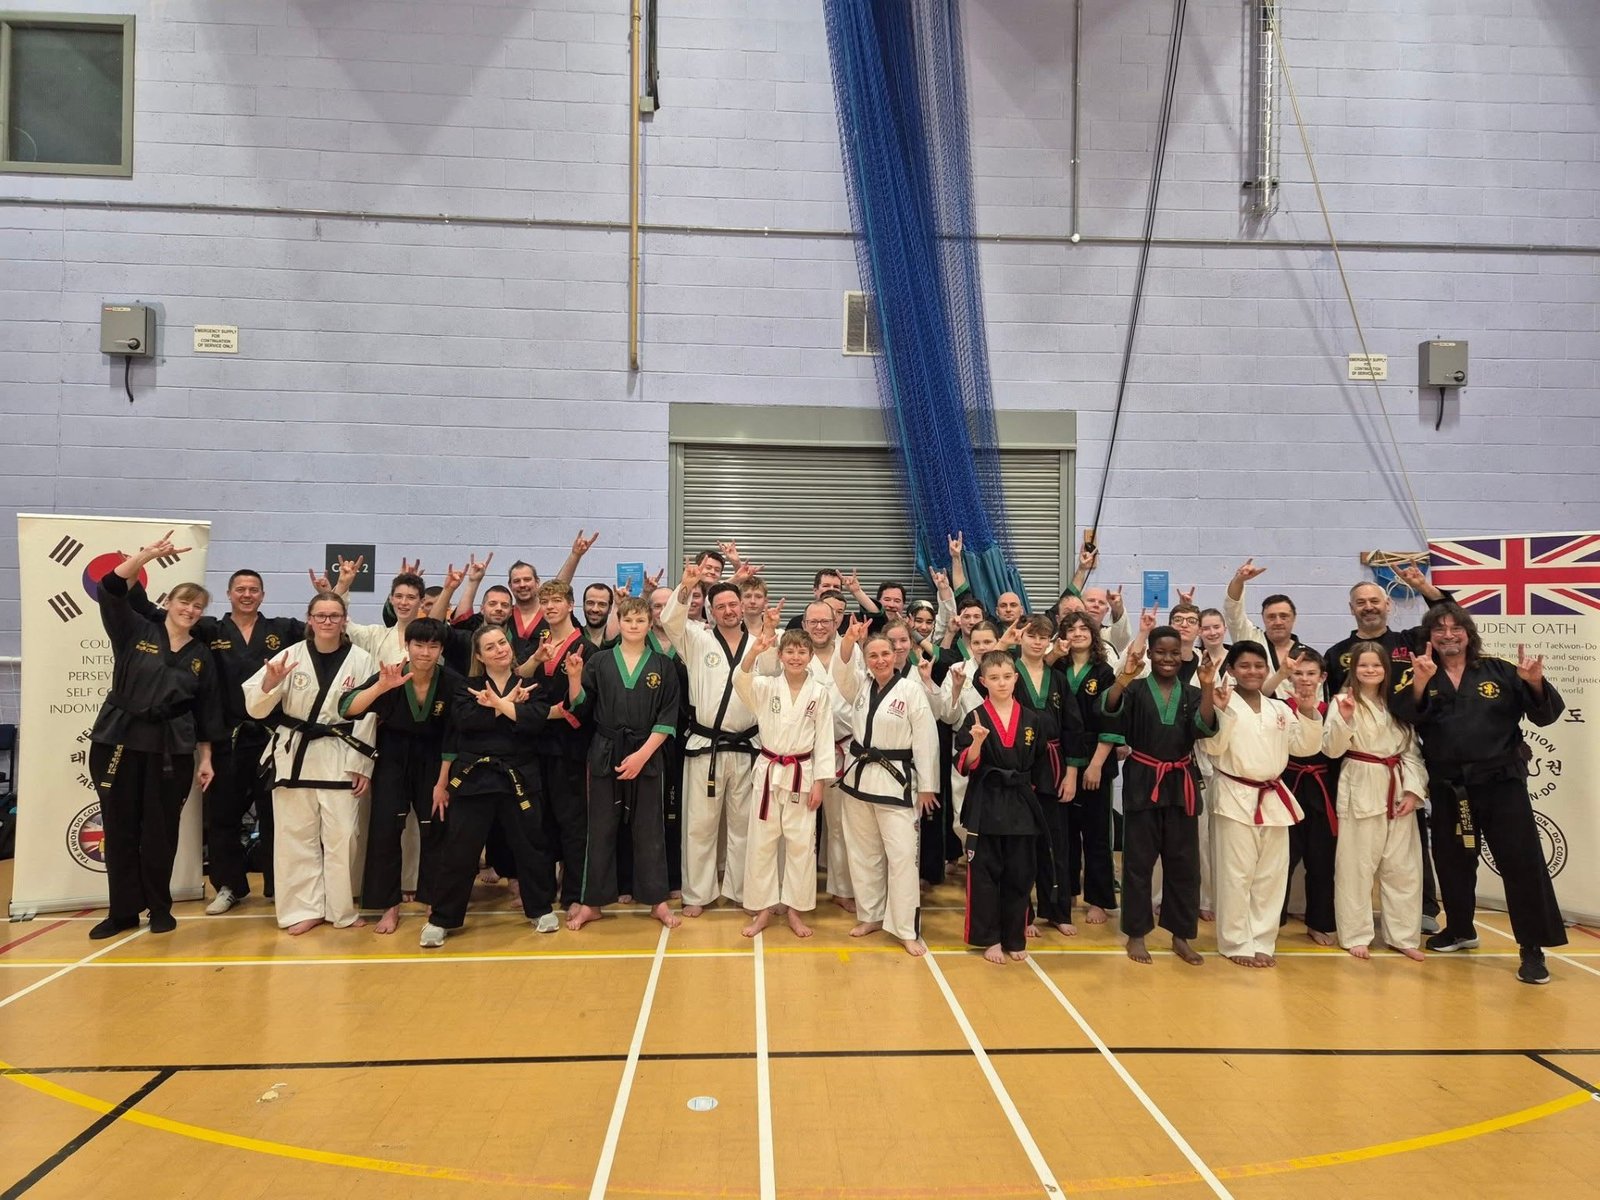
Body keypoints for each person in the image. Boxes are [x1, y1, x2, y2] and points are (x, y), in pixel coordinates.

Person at [1391, 605, 1567, 984]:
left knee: (1521, 865)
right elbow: (1405, 714)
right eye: (1439, 629)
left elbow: (1545, 714)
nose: (1448, 635)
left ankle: (1532, 950)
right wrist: (1420, 682)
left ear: (1468, 634)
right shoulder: (1420, 674)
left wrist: (1535, 682)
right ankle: (1459, 929)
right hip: (1450, 787)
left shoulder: (1500, 671)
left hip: (1502, 785)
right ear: (1429, 638)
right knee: (1453, 862)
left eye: (1456, 628)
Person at [125, 566, 306, 914]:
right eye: (240, 588)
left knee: (276, 814)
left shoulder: (282, 629)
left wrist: (341, 586)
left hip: (271, 738)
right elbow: (150, 612)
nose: (247, 594)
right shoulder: (209, 629)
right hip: (226, 737)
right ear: (229, 593)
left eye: (254, 589)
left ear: (263, 595)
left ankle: (278, 884)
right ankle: (229, 885)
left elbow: (323, 629)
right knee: (223, 815)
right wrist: (135, 569)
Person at [86, 535, 224, 939]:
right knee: (120, 827)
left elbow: (207, 710)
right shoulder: (134, 628)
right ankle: (122, 911)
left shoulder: (201, 655)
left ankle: (159, 908)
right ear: (168, 602)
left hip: (172, 748)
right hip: (120, 740)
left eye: (198, 606)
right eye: (184, 602)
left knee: (161, 832)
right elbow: (110, 588)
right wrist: (146, 555)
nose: (190, 610)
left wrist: (206, 757)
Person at [243, 591, 378, 935]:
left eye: (334, 615)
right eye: (321, 616)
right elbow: (255, 708)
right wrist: (271, 683)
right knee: (294, 837)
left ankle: (340, 909)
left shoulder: (362, 659)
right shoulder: (289, 655)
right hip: (295, 757)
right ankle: (302, 909)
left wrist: (362, 765)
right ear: (310, 619)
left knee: (344, 836)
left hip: (341, 757)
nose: (328, 621)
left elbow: (369, 714)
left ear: (345, 619)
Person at [422, 625, 561, 946]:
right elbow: (465, 723)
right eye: (491, 647)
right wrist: (508, 707)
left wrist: (496, 705)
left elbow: (534, 721)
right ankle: (441, 919)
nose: (500, 649)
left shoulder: (532, 685)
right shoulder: (464, 687)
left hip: (520, 775)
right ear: (480, 656)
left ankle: (539, 909)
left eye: (503, 643)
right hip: (474, 777)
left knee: (531, 846)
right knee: (459, 849)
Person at [1198, 642, 1323, 968]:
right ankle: (1236, 941)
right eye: (1244, 666)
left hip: (1273, 796)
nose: (1252, 671)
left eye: (1258, 666)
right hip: (1234, 795)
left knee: (1271, 876)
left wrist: (1308, 710)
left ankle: (1263, 939)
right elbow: (1213, 747)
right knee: (1236, 874)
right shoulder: (1221, 703)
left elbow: (1305, 747)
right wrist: (1219, 710)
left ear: (1267, 670)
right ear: (1232, 671)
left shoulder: (1280, 709)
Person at [1101, 627, 1219, 966]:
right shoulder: (1136, 688)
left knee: (1185, 864)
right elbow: (1109, 708)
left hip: (1180, 780)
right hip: (1143, 778)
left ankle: (1181, 935)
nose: (1167, 658)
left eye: (1174, 653)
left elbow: (1205, 726)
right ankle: (1136, 934)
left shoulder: (1193, 692)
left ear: (1182, 655)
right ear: (1150, 654)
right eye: (1160, 652)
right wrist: (1124, 676)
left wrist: (1208, 685)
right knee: (1138, 862)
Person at [567, 597, 683, 931]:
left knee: (650, 828)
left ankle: (657, 900)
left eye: (640, 620)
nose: (634, 626)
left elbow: (668, 716)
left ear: (650, 624)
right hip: (605, 750)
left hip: (647, 752)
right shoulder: (600, 661)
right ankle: (592, 902)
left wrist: (643, 755)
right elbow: (581, 706)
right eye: (628, 620)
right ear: (619, 621)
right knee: (601, 827)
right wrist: (574, 678)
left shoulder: (662, 665)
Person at [340, 617, 458, 935]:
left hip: (434, 761)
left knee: (438, 828)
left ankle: (434, 900)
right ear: (407, 646)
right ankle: (389, 906)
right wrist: (381, 686)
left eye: (433, 646)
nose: (425, 652)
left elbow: (455, 734)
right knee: (385, 830)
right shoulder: (391, 675)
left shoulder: (450, 682)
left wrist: (442, 782)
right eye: (419, 645)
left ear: (441, 649)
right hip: (392, 757)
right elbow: (347, 708)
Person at [835, 623, 940, 956]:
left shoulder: (911, 690)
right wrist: (850, 641)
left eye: (884, 654)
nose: (879, 660)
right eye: (872, 655)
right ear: (865, 659)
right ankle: (871, 915)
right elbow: (840, 675)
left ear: (897, 655)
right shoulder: (861, 686)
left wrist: (927, 786)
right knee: (863, 854)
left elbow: (926, 739)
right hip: (859, 781)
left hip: (897, 783)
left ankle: (906, 928)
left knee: (902, 859)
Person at [1321, 641, 1427, 961]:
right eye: (1363, 665)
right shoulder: (1342, 700)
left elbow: (1411, 752)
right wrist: (1345, 719)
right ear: (1353, 669)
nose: (1370, 670)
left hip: (1396, 786)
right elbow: (1331, 749)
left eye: (1376, 665)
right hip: (1360, 781)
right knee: (1356, 866)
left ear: (1386, 670)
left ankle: (1403, 935)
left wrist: (1413, 791)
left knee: (1403, 867)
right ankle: (1355, 934)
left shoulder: (1396, 705)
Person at [663, 568, 760, 916]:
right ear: (710, 611)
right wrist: (688, 584)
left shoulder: (760, 643)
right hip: (706, 747)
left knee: (743, 825)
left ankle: (740, 889)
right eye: (721, 606)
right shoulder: (696, 639)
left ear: (742, 607)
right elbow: (669, 619)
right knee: (700, 826)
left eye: (734, 604)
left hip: (749, 748)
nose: (729, 611)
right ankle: (698, 893)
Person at [955, 651, 1056, 964]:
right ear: (983, 681)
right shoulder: (974, 717)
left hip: (1021, 804)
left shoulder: (1032, 719)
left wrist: (1036, 798)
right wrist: (977, 743)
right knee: (985, 875)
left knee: (1020, 873)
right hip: (987, 803)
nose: (1001, 683)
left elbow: (1041, 765)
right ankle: (989, 938)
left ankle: (1014, 936)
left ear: (1016, 678)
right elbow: (966, 766)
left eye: (1007, 676)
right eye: (994, 678)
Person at [732, 629, 833, 939]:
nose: (795, 657)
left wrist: (820, 783)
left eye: (802, 652)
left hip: (802, 772)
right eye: (789, 652)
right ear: (779, 655)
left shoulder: (820, 692)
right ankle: (762, 910)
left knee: (801, 845)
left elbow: (825, 740)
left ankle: (794, 910)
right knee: (762, 843)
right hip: (769, 771)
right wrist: (753, 651)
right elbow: (740, 680)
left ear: (811, 657)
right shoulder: (765, 687)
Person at [522, 580, 593, 916]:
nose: (549, 607)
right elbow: (518, 679)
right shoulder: (539, 644)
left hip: (570, 746)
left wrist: (549, 711)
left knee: (572, 822)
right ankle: (544, 890)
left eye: (556, 601)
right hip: (537, 744)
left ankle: (575, 893)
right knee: (540, 821)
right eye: (545, 601)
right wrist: (536, 659)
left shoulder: (586, 649)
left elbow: (582, 705)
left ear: (570, 606)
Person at [1011, 615, 1082, 936]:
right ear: (1021, 638)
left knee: (1057, 842)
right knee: (1021, 844)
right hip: (1020, 768)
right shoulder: (1008, 673)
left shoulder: (1059, 679)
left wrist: (1071, 774)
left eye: (1044, 637)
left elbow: (1072, 727)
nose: (1038, 642)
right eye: (1032, 636)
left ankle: (1057, 910)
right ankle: (1022, 914)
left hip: (1054, 767)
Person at [1057, 612, 1121, 925]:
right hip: (1062, 763)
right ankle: (1066, 890)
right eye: (1072, 629)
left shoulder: (1104, 671)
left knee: (1096, 835)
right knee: (1065, 832)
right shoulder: (1056, 667)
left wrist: (1096, 764)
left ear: (1094, 635)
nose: (1078, 633)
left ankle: (1098, 898)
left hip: (1096, 762)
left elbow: (1110, 719)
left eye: (1084, 628)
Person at [1275, 647, 1339, 945]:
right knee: (1282, 858)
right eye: (1298, 673)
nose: (1304, 680)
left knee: (1321, 859)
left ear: (1323, 676)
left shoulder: (1335, 708)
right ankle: (1273, 919)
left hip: (1323, 787)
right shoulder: (1281, 706)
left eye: (1311, 673)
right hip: (1289, 783)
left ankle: (1319, 921)